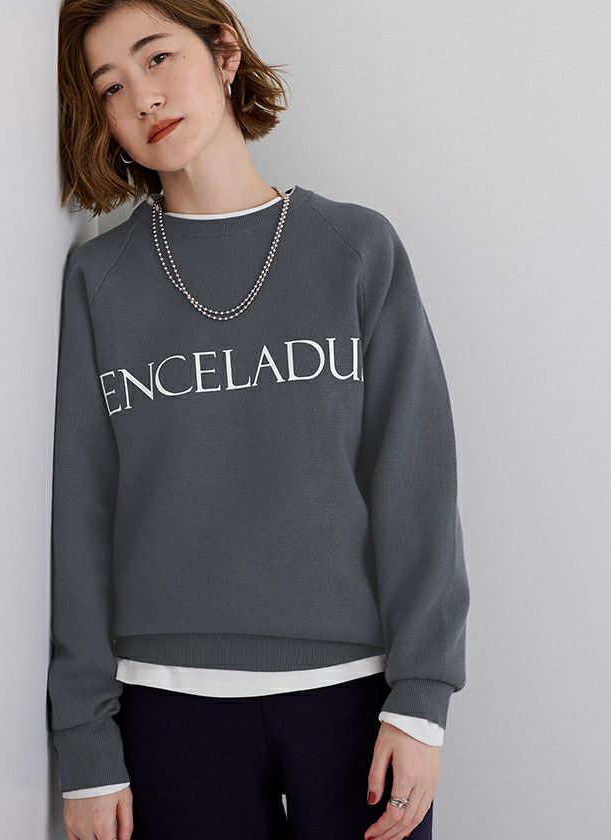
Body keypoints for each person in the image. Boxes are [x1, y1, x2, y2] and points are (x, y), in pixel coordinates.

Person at [48, 1, 471, 838]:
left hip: (355, 701)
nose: (142, 97)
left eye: (157, 58)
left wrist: (422, 699)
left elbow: (416, 479)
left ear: (224, 53)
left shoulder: (355, 248)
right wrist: (85, 741)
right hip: (167, 709)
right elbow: (77, 516)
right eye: (110, 87)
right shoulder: (99, 281)